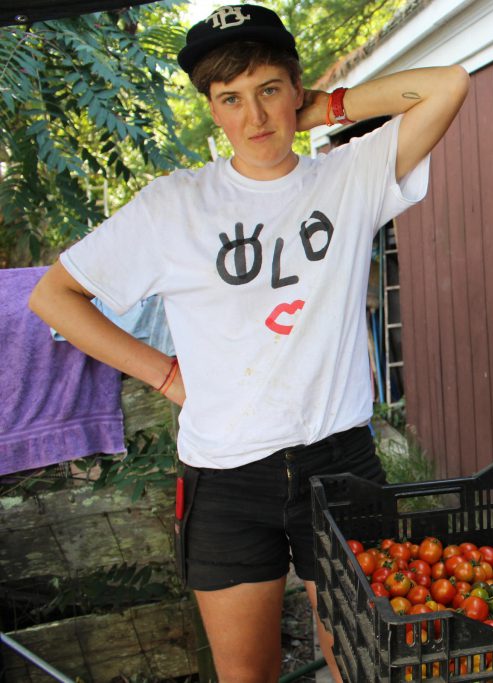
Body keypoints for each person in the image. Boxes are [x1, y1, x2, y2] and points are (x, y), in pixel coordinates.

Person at [29, 4, 468, 681]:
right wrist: (167, 375)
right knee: (247, 676)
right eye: (230, 98)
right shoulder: (174, 206)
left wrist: (332, 108)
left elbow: (448, 85)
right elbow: (53, 295)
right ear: (212, 108)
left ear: (296, 88)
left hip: (340, 463)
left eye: (269, 89)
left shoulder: (347, 178)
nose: (254, 117)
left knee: (367, 661)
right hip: (228, 477)